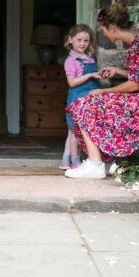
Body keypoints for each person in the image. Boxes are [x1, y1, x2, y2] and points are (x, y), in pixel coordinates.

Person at [65, 2, 139, 179]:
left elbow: (134, 85)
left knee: (83, 104)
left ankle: (95, 163)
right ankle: (102, 162)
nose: (104, 34)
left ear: (112, 27)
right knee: (88, 104)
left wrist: (103, 92)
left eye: (104, 30)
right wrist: (119, 71)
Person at [61, 24, 101, 169]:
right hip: (77, 98)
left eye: (86, 41)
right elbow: (72, 82)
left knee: (77, 130)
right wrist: (90, 75)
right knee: (74, 131)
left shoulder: (90, 58)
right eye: (79, 40)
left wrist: (98, 75)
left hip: (89, 98)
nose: (82, 44)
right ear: (70, 39)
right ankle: (75, 161)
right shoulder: (71, 61)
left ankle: (65, 159)